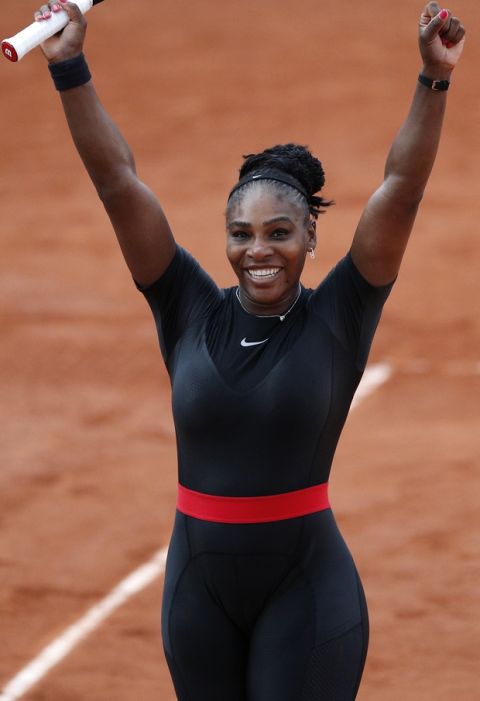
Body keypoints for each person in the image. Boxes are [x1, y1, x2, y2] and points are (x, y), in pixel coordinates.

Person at [34, 1, 465, 699]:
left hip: (306, 590)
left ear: (310, 239)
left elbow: (402, 190)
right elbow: (118, 183)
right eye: (241, 233)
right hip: (196, 590)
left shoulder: (341, 313)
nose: (258, 251)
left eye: (278, 232)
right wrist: (69, 67)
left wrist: (433, 78)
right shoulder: (185, 305)